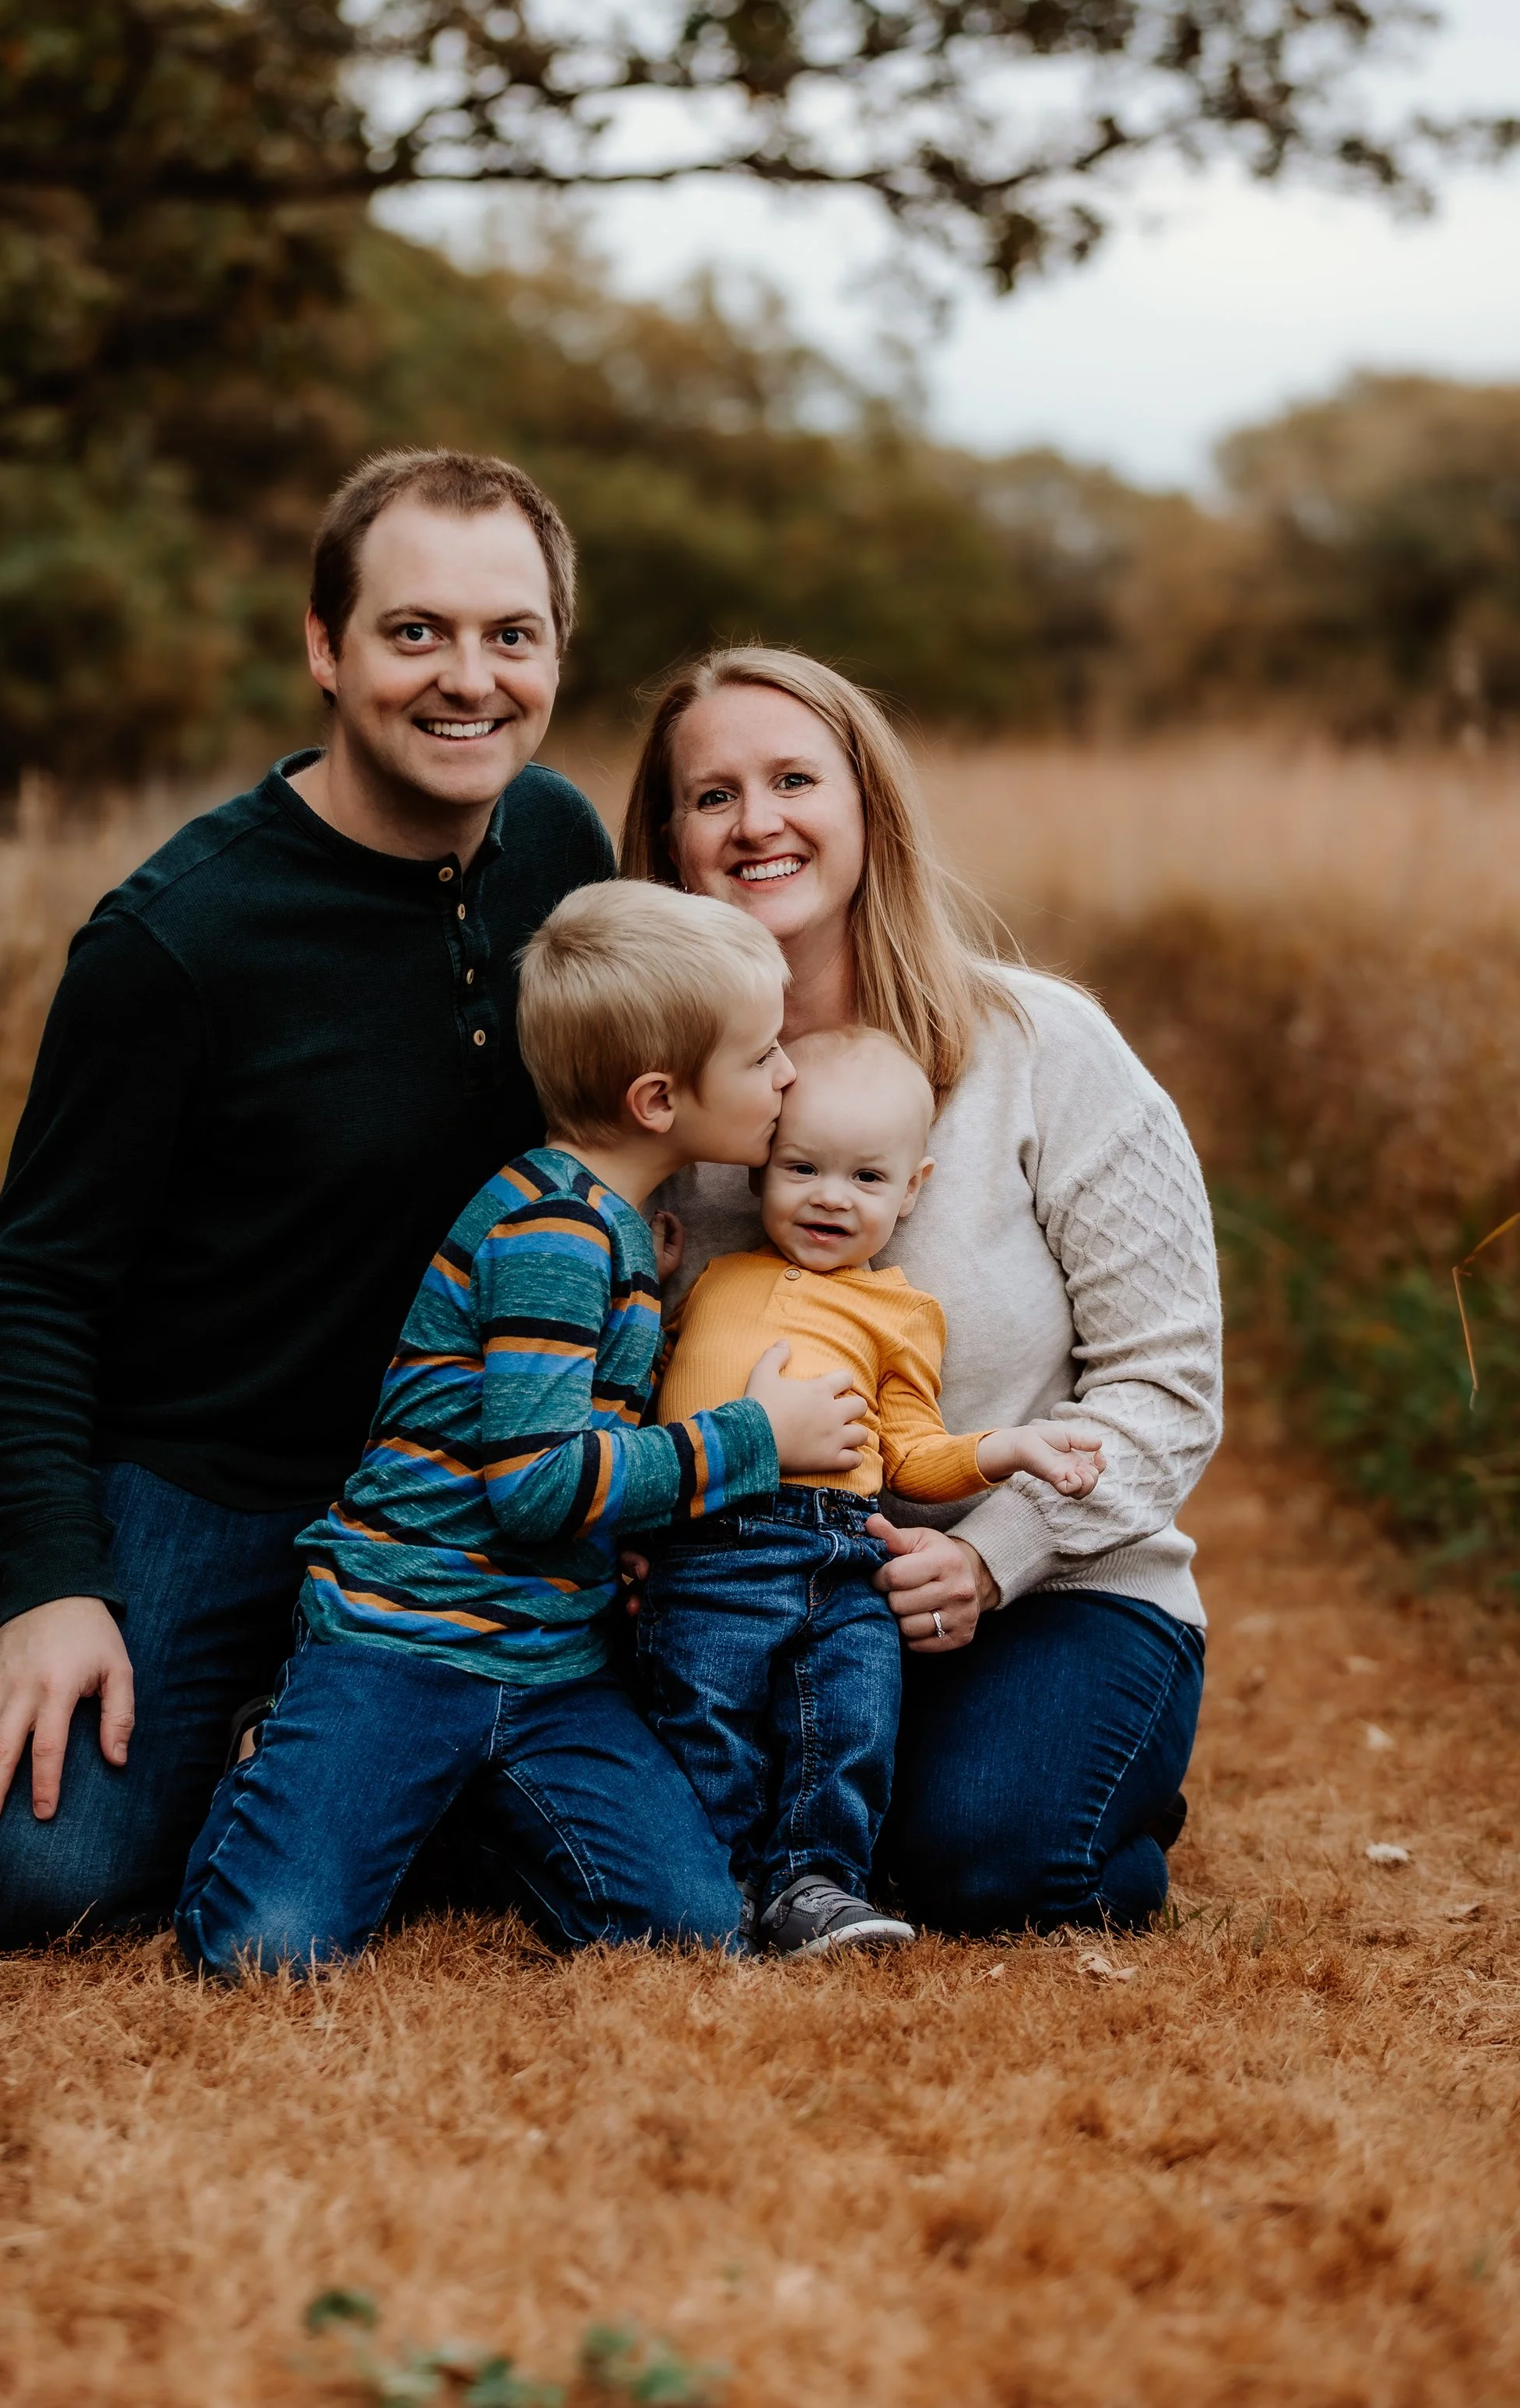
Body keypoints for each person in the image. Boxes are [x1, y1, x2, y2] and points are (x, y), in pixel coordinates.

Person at [0, 449, 618, 1947]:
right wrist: (52, 1582)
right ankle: (288, 1718)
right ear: (326, 645)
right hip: (210, 1479)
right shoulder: (178, 941)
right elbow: (36, 1287)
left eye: (513, 636)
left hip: (472, 1473)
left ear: (559, 650)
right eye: (414, 632)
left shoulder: (563, 850)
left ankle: (335, 1738)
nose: (468, 681)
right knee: (40, 1880)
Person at [173, 881, 874, 1978]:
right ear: (658, 1099)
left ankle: (449, 1805)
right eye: (761, 1057)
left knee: (688, 1931)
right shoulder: (554, 1232)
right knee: (265, 1950)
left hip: (555, 1663)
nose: (787, 1075)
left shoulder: (615, 1226)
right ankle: (287, 1745)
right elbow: (538, 1484)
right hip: (404, 1641)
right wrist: (756, 1438)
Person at [624, 648, 1220, 1935]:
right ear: (668, 841)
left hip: (1046, 1593)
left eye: (794, 779)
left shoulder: (1040, 1048)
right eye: (712, 794)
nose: (757, 821)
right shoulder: (655, 1104)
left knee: (991, 1863)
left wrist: (991, 1558)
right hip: (734, 1599)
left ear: (867, 809)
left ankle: (1078, 1792)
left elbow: (1169, 1386)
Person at [638, 1025, 1104, 1958]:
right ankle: (718, 1887)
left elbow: (912, 1457)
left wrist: (1004, 1449)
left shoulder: (899, 1310)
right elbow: (650, 1387)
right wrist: (645, 1285)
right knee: (703, 1713)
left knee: (845, 1721)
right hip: (709, 1549)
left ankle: (816, 1886)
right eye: (802, 1167)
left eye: (865, 1179)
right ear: (759, 1169)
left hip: (844, 1550)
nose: (828, 1198)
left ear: (913, 1189)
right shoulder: (712, 1277)